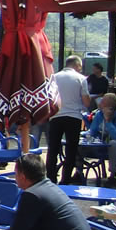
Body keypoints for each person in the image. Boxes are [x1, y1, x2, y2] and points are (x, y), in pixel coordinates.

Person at [46, 56, 91, 185]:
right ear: (77, 65)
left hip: (56, 116)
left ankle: (51, 178)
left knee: (53, 149)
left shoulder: (54, 77)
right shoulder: (81, 78)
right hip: (74, 117)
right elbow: (86, 102)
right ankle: (65, 179)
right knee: (71, 150)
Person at [86, 93, 116, 188]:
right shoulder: (99, 114)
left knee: (113, 144)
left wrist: (108, 121)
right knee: (79, 142)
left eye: (103, 103)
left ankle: (113, 176)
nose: (100, 104)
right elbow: (92, 131)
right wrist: (87, 136)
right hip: (101, 144)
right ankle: (78, 172)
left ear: (110, 107)